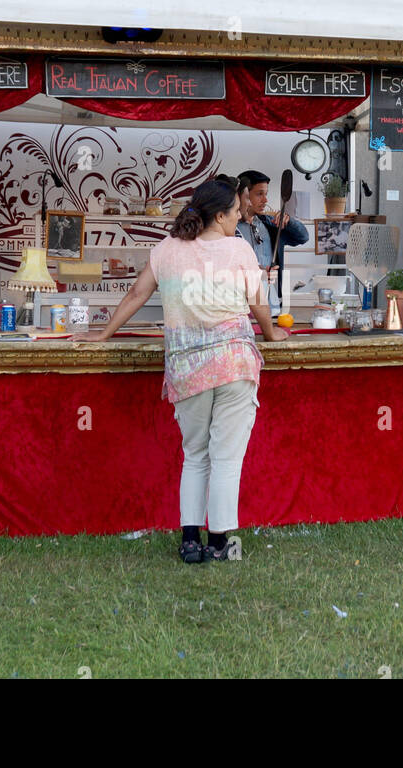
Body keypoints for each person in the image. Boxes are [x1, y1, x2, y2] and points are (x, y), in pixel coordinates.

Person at [72, 178, 288, 563]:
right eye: (236, 212)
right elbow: (258, 303)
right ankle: (220, 544)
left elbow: (137, 294)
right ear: (219, 215)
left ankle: (190, 540)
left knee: (195, 455)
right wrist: (271, 334)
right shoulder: (238, 249)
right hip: (233, 364)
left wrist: (104, 333)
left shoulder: (166, 250)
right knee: (225, 459)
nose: (240, 218)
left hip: (188, 368)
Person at [233, 169, 308, 312]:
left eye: (265, 194)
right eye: (259, 194)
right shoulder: (229, 227)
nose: (265, 200)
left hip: (270, 306)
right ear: (244, 195)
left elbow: (303, 237)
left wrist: (289, 221)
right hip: (239, 306)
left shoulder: (271, 224)